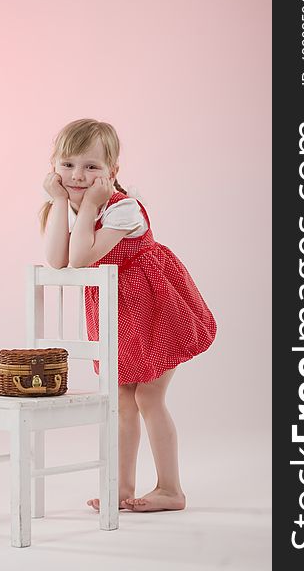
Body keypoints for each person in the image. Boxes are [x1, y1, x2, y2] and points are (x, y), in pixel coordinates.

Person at [39, 118, 217, 512]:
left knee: (150, 397)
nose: (78, 175)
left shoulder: (125, 209)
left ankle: (171, 489)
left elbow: (81, 259)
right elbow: (56, 260)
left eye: (91, 167)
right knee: (121, 400)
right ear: (54, 166)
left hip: (156, 308)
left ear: (111, 173)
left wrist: (85, 207)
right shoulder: (66, 206)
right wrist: (58, 203)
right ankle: (121, 487)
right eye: (67, 165)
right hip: (118, 313)